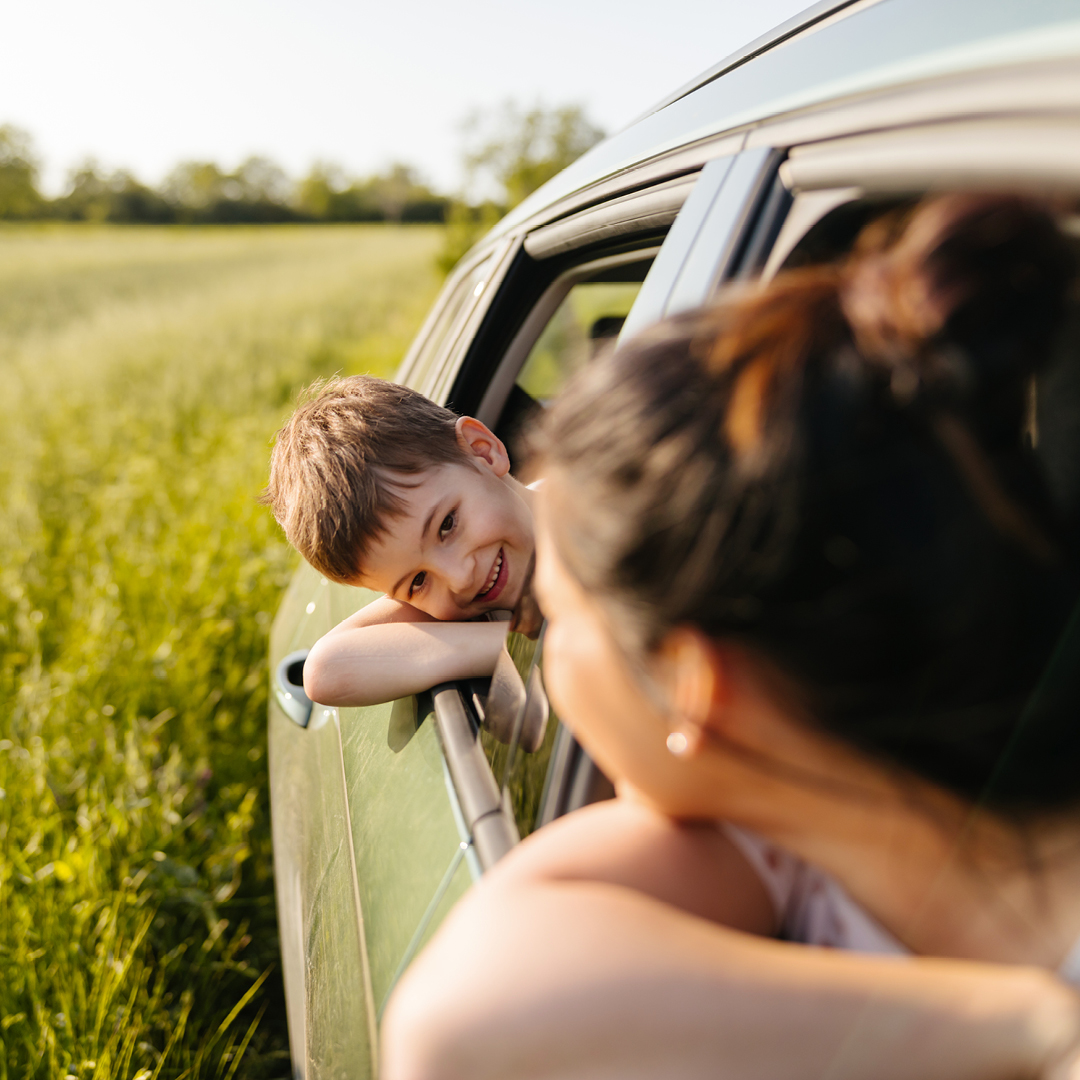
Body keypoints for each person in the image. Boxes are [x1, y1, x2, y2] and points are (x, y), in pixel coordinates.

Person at [381, 192, 1080, 1079]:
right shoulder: (787, 833)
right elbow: (459, 1015)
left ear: (688, 684)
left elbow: (453, 1029)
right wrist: (1028, 1026)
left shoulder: (782, 850)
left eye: (556, 617)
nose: (540, 649)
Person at [262, 376, 536, 706]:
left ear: (483, 451)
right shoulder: (450, 600)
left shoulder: (606, 504)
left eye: (446, 525)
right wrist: (515, 645)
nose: (460, 578)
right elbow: (324, 669)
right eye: (418, 581)